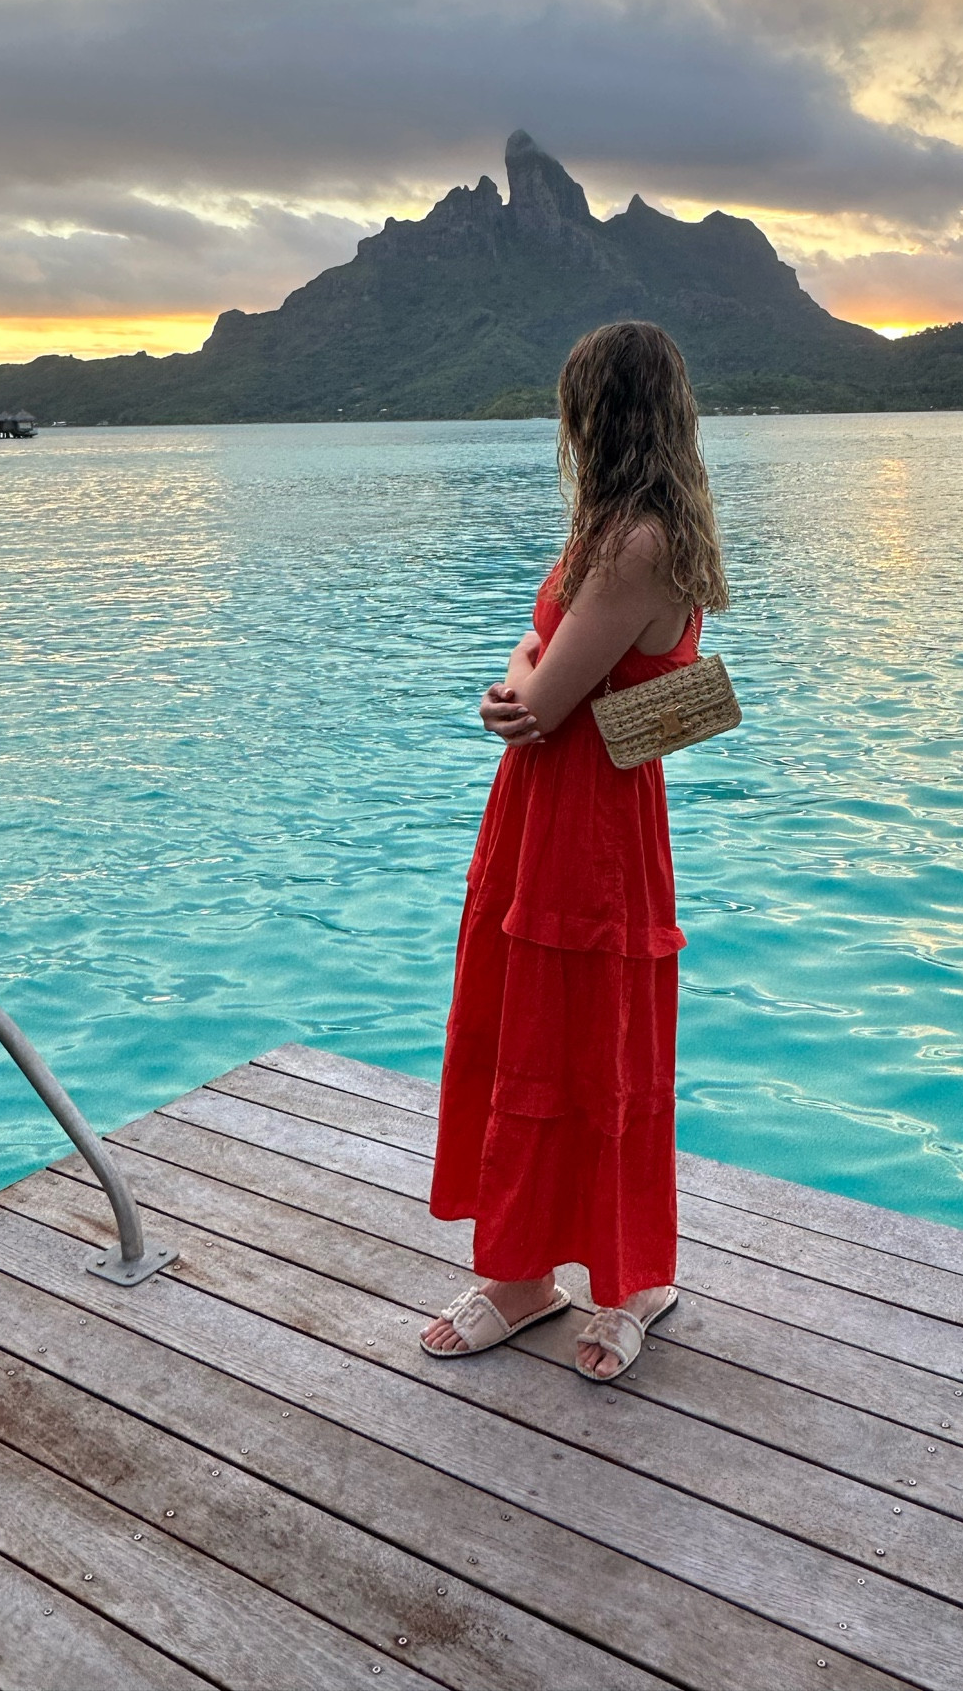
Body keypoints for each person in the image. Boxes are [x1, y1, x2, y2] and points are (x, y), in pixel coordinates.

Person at [422, 319, 729, 1380]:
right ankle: (523, 1275)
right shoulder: (607, 528)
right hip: (553, 814)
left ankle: (631, 1277)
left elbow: (540, 698)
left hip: (589, 828)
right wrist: (532, 676)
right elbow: (534, 657)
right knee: (531, 1037)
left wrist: (531, 682)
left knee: (595, 1043)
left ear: (600, 414)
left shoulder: (641, 542)